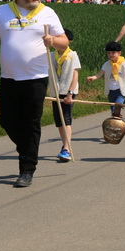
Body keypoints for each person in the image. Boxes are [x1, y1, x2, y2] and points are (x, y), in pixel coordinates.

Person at [0, 0, 69, 188]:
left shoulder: (48, 13)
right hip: (9, 78)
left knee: (31, 123)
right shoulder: (2, 11)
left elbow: (64, 43)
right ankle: (27, 148)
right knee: (7, 121)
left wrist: (53, 40)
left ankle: (27, 169)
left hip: (36, 79)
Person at [50, 29, 80, 162]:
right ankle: (64, 145)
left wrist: (70, 93)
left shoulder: (72, 55)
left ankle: (67, 149)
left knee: (66, 120)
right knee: (59, 122)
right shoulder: (51, 55)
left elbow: (75, 75)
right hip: (55, 93)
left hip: (68, 92)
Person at [86, 41, 125, 115]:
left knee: (117, 105)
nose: (110, 55)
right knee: (113, 109)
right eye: (109, 53)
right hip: (111, 90)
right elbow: (100, 74)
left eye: (113, 53)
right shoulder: (107, 64)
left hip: (120, 90)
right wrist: (93, 77)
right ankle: (115, 119)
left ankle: (116, 117)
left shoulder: (124, 64)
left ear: (119, 53)